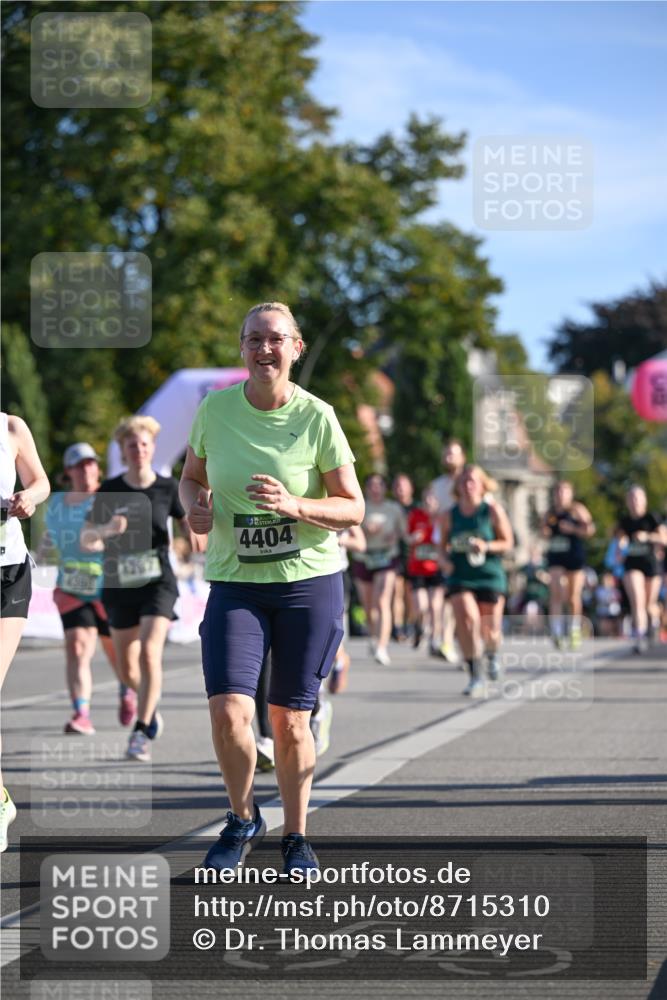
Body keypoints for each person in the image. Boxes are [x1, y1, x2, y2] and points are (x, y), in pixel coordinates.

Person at [180, 301, 364, 876]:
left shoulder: (317, 417)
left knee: (289, 720)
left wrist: (295, 505)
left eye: (276, 339)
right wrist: (196, 511)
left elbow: (353, 506)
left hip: (307, 582)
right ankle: (241, 819)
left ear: (296, 348)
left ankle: (296, 835)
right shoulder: (214, 411)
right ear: (242, 348)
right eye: (254, 339)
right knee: (230, 712)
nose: (265, 349)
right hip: (236, 581)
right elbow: (190, 479)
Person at [82, 416, 200, 762]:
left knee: (150, 653)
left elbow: (189, 524)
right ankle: (149, 700)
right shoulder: (110, 491)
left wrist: (193, 537)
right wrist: (107, 531)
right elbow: (86, 540)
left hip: (158, 582)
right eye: (132, 445)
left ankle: (141, 729)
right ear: (122, 450)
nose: (138, 450)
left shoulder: (167, 487)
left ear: (153, 448)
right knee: (126, 669)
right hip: (119, 584)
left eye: (145, 444)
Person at [40, 443, 122, 734]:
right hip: (72, 585)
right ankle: (81, 714)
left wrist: (102, 534)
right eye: (79, 464)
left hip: (110, 586)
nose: (86, 469)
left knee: (117, 653)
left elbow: (121, 528)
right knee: (77, 648)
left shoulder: (109, 496)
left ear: (97, 468)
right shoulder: (58, 503)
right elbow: (49, 537)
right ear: (68, 472)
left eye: (91, 463)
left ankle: (128, 690)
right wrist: (40, 555)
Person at [0, 413, 50, 851]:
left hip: (8, 571)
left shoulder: (11, 428)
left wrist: (27, 498)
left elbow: (41, 483)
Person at [438, 465, 513, 698]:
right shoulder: (449, 515)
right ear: (458, 487)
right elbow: (440, 547)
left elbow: (508, 542)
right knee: (467, 619)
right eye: (463, 481)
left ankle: (492, 654)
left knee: (490, 629)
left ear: (482, 485)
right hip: (461, 574)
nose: (468, 485)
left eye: (472, 481)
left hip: (489, 574)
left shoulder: (491, 511)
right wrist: (444, 562)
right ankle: (474, 674)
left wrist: (487, 546)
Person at [352, 474, 406, 666]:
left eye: (379, 485)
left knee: (382, 600)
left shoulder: (394, 508)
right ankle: (374, 638)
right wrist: (366, 531)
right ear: (366, 489)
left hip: (387, 557)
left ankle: (382, 646)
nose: (375, 489)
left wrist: (394, 535)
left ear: (385, 488)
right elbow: (350, 528)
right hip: (364, 558)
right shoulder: (360, 505)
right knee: (369, 606)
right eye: (372, 485)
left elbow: (404, 532)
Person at [541, 481, 595, 649]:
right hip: (556, 555)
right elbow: (543, 532)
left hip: (574, 555)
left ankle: (573, 630)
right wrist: (545, 532)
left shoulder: (577, 510)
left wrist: (573, 529)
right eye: (558, 492)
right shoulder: (549, 513)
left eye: (564, 492)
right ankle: (556, 632)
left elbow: (589, 530)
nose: (561, 495)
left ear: (570, 494)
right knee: (556, 592)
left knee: (573, 596)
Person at [616, 485, 667, 653]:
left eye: (637, 497)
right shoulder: (625, 521)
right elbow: (620, 538)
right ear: (627, 501)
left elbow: (664, 539)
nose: (634, 501)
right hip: (632, 564)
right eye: (631, 498)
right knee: (637, 600)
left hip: (651, 565)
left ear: (644, 500)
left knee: (649, 603)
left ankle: (654, 623)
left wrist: (648, 536)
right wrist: (621, 545)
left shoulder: (652, 518)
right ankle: (639, 637)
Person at [430, 439, 467, 662]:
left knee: (460, 598)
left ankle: (461, 644)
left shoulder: (471, 481)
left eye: (453, 454)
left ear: (463, 457)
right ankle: (444, 639)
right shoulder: (438, 485)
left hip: (466, 545)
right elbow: (433, 516)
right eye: (446, 454)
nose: (449, 458)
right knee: (446, 595)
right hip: (443, 544)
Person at [406, 486, 444, 655]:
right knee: (421, 606)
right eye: (426, 499)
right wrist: (412, 538)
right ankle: (419, 627)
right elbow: (406, 536)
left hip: (437, 567)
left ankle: (435, 640)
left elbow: (448, 539)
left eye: (432, 499)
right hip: (418, 568)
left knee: (435, 606)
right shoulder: (416, 516)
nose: (429, 502)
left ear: (437, 502)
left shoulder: (442, 519)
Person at [391, 473, 416, 643]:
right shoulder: (390, 508)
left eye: (403, 485)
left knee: (410, 594)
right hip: (395, 554)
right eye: (397, 486)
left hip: (414, 556)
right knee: (396, 591)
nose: (400, 489)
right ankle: (397, 627)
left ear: (411, 488)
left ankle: (410, 624)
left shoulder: (417, 508)